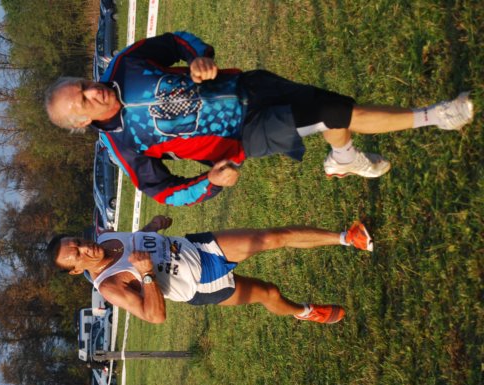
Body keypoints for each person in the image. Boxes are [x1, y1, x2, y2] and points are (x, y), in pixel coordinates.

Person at [44, 32, 474, 206]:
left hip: (249, 85)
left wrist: (198, 58)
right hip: (246, 134)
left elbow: (177, 41)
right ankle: (440, 116)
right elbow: (164, 192)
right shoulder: (123, 146)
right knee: (335, 114)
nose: (92, 91)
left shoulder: (124, 64)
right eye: (82, 101)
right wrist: (211, 182)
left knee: (337, 107)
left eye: (83, 85)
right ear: (81, 123)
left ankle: (343, 158)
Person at [47, 215, 374, 324]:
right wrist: (146, 275)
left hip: (197, 248)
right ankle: (304, 312)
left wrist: (151, 228)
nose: (85, 248)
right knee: (268, 292)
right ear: (76, 270)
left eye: (78, 241)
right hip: (201, 283)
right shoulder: (109, 286)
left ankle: (348, 238)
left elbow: (136, 243)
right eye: (77, 254)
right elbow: (155, 316)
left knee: (272, 237)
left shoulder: (106, 237)